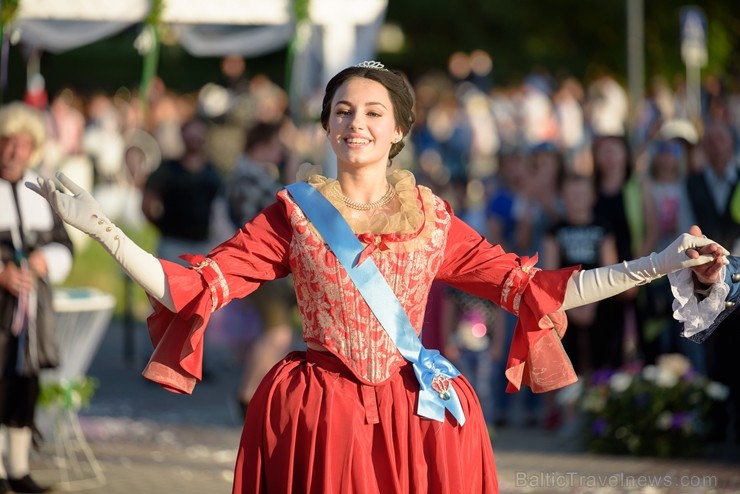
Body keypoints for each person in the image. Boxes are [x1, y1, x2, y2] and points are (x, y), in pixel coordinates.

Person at [28, 62, 726, 493]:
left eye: (372, 112)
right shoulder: (294, 214)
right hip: (317, 414)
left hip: (418, 416)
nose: (354, 122)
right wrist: (101, 229)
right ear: (327, 127)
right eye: (342, 111)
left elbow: (535, 289)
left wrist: (660, 262)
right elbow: (191, 285)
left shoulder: (432, 218)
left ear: (397, 131)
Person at [0, 102, 73, 494]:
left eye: (22, 144)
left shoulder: (41, 192)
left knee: (24, 383)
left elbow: (65, 245)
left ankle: (18, 468)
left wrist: (47, 260)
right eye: (7, 142)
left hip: (31, 311)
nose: (14, 151)